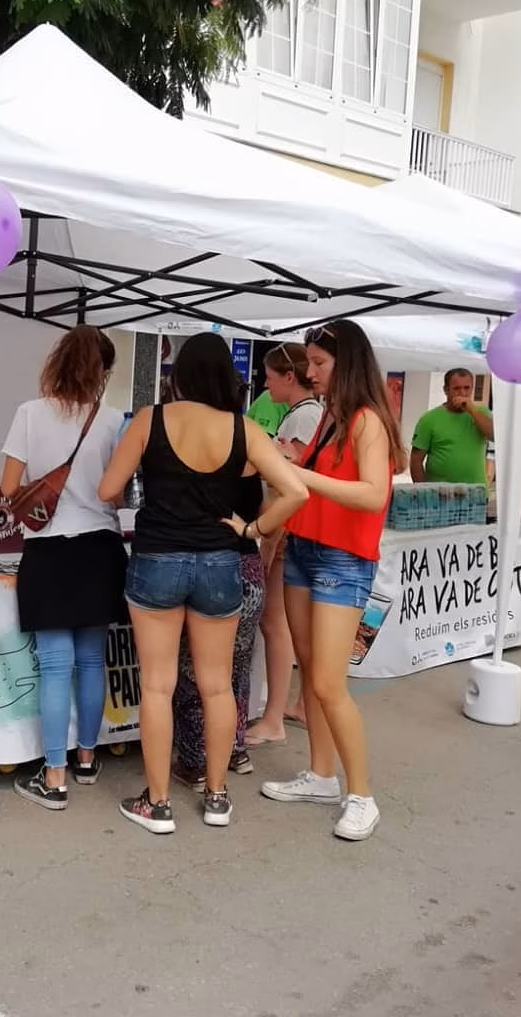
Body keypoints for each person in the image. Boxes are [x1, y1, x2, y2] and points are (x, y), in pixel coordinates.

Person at [99, 334, 308, 834]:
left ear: (182, 373)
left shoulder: (151, 419)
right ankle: (217, 797)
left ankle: (158, 804)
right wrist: (252, 530)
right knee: (218, 686)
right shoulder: (246, 429)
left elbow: (108, 490)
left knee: (157, 684)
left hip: (157, 559)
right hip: (220, 562)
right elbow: (295, 489)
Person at [261, 320, 406, 842]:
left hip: (343, 560)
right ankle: (322, 776)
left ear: (347, 364)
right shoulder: (331, 417)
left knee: (327, 682)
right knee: (311, 673)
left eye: (320, 363)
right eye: (310, 363)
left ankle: (361, 794)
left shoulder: (368, 419)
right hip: (306, 548)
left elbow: (372, 494)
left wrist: (301, 475)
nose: (311, 371)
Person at [0, 325, 127, 810]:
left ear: (57, 361)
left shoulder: (29, 414)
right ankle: (88, 760)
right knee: (93, 659)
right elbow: (116, 491)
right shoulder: (114, 421)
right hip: (100, 547)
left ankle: (54, 777)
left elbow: (9, 486)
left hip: (48, 550)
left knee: (56, 665)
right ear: (104, 372)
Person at [172, 392, 266, 793]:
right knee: (237, 669)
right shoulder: (251, 442)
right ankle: (234, 749)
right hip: (248, 567)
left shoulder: (198, 446)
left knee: (196, 670)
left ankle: (195, 762)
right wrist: (256, 532)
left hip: (212, 565)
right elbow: (276, 499)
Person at [246, 343, 324, 746]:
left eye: (269, 375)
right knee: (290, 628)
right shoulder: (306, 415)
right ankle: (296, 706)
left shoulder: (303, 419)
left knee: (276, 625)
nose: (265, 382)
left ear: (288, 377)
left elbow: (286, 488)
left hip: (287, 532)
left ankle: (274, 715)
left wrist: (266, 538)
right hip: (293, 533)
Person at [410, 368, 494, 485]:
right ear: (446, 390)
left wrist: (472, 410)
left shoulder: (482, 413)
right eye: (457, 388)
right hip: (440, 494)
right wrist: (423, 491)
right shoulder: (429, 419)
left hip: (475, 493)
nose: (463, 393)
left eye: (467, 388)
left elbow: (494, 435)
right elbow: (416, 461)